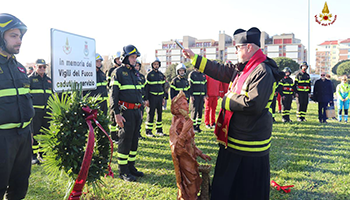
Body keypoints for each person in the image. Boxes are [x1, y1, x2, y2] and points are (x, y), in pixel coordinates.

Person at [182, 27, 283, 200]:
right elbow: (220, 70)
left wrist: (226, 100)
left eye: (238, 47)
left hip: (249, 145)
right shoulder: (245, 67)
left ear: (249, 47)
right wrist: (194, 58)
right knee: (226, 186)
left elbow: (253, 104)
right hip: (233, 140)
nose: (235, 51)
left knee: (246, 190)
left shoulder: (262, 71)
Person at [0, 13, 34, 200]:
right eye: (13, 35)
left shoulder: (20, 67)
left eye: (20, 36)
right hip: (2, 139)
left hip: (22, 137)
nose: (19, 40)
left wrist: (28, 133)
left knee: (19, 188)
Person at [110, 44, 144, 182]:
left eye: (136, 57)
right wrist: (116, 114)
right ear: (125, 58)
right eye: (132, 57)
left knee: (134, 140)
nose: (135, 59)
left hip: (136, 112)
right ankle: (123, 171)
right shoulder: (118, 72)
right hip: (125, 113)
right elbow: (113, 96)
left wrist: (140, 110)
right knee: (125, 141)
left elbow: (139, 93)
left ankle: (131, 167)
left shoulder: (135, 73)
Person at [169, 91, 211, 200]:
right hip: (184, 159)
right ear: (177, 108)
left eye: (187, 103)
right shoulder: (176, 125)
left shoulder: (187, 120)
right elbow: (176, 148)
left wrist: (200, 153)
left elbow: (191, 142)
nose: (187, 106)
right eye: (183, 104)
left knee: (194, 181)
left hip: (191, 156)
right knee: (190, 183)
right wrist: (184, 131)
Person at [29, 59, 53, 164]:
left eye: (44, 67)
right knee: (35, 134)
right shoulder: (30, 79)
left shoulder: (49, 80)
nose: (42, 69)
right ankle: (33, 156)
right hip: (35, 112)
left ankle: (42, 154)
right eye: (40, 67)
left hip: (46, 111)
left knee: (44, 133)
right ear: (35, 67)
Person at [144, 59, 166, 137]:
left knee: (159, 113)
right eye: (154, 64)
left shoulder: (161, 75)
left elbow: (163, 87)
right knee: (151, 113)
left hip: (159, 97)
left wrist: (164, 98)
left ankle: (159, 130)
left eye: (157, 64)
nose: (156, 66)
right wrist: (146, 99)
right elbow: (146, 88)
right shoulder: (149, 75)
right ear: (152, 65)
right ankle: (148, 131)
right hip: (152, 97)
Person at [107, 51, 122, 143]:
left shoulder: (123, 70)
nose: (119, 61)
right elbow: (109, 85)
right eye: (117, 59)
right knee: (113, 117)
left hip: (121, 98)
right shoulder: (111, 71)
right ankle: (113, 136)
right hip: (114, 96)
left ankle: (119, 134)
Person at [188, 67, 207, 133]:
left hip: (201, 96)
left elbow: (205, 85)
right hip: (195, 96)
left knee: (200, 111)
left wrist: (205, 94)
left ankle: (197, 126)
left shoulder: (203, 75)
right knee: (194, 111)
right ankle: (192, 127)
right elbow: (190, 86)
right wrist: (191, 95)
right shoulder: (192, 74)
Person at [135, 60, 146, 139]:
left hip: (140, 100)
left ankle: (138, 133)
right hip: (133, 100)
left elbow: (144, 89)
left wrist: (145, 99)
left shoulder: (142, 77)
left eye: (138, 66)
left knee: (140, 117)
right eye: (136, 66)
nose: (137, 67)